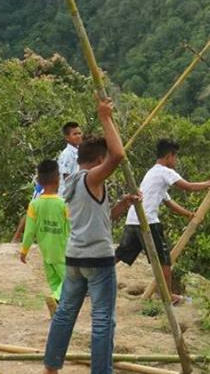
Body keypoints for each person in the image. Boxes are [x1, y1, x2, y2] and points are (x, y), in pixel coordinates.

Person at [43, 96, 138, 374]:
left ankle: (51, 366)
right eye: (102, 161)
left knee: (65, 315)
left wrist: (122, 204)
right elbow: (118, 156)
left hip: (75, 259)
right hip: (97, 261)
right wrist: (105, 117)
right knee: (102, 321)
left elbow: (99, 218)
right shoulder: (90, 178)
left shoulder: (72, 181)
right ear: (97, 161)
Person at [115, 139, 210, 303]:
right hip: (147, 222)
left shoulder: (152, 173)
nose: (176, 160)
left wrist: (187, 214)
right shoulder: (165, 172)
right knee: (164, 260)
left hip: (133, 219)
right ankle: (169, 296)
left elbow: (168, 202)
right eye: (175, 157)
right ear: (169, 156)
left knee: (120, 254)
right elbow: (187, 186)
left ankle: (90, 281)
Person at [19, 159, 69, 317]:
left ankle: (57, 308)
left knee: (54, 280)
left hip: (46, 251)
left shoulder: (34, 204)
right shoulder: (63, 204)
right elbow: (73, 227)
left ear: (39, 181)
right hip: (63, 250)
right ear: (58, 180)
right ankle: (56, 298)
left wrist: (24, 250)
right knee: (70, 280)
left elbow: (29, 231)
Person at [57, 121, 83, 197]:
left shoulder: (79, 151)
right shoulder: (67, 154)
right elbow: (67, 177)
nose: (78, 136)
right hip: (67, 196)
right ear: (67, 138)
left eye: (79, 133)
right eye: (75, 134)